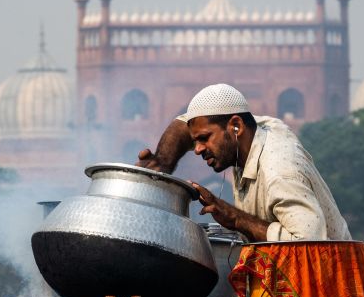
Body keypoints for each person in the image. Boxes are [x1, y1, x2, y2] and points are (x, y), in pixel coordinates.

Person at [137, 83, 351, 242]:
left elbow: (309, 243)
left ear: (236, 126)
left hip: (326, 294)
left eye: (204, 139)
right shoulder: (251, 129)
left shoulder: (279, 170)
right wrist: (161, 162)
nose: (198, 149)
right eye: (195, 141)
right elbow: (186, 124)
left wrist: (237, 219)